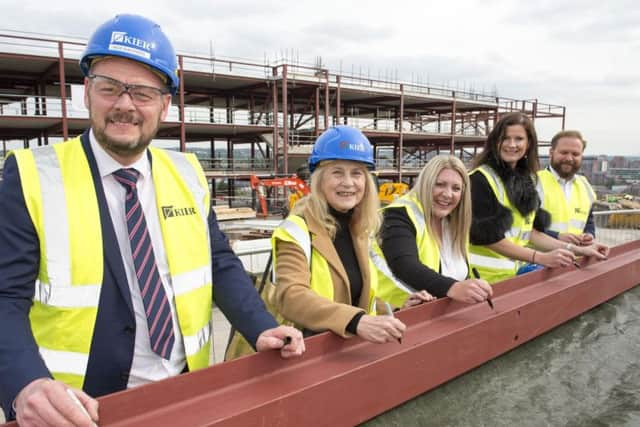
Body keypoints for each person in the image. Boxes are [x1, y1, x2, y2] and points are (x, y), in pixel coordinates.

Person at [0, 14, 304, 425]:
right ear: (87, 93)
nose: (125, 105)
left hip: (184, 391)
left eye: (142, 92)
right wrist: (26, 384)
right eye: (110, 88)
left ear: (164, 104)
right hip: (76, 407)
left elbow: (218, 261)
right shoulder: (32, 175)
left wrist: (260, 327)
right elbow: (4, 298)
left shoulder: (186, 174)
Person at [271, 125, 424, 344]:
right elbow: (291, 296)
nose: (348, 183)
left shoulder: (360, 229)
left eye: (357, 173)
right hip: (309, 354)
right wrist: (355, 321)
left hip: (348, 352)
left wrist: (396, 308)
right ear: (319, 179)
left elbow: (363, 296)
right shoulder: (297, 230)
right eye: (337, 172)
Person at [468, 112, 608, 284]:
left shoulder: (525, 181)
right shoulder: (479, 180)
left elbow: (531, 234)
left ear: (528, 144)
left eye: (519, 139)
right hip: (480, 280)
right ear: (495, 142)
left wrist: (579, 249)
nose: (512, 144)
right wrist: (540, 257)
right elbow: (486, 238)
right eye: (505, 138)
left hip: (510, 277)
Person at [374, 155, 493, 307]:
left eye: (456, 188)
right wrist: (453, 287)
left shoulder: (453, 222)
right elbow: (405, 265)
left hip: (440, 316)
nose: (447, 194)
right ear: (426, 184)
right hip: (396, 315)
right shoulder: (398, 215)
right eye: (439, 184)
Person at [536, 130, 600, 246]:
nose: (569, 158)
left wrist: (589, 234)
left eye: (575, 154)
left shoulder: (585, 185)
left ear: (581, 156)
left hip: (575, 260)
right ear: (551, 152)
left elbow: (588, 221)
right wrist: (557, 236)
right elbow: (523, 227)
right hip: (538, 261)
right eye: (564, 152)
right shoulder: (534, 183)